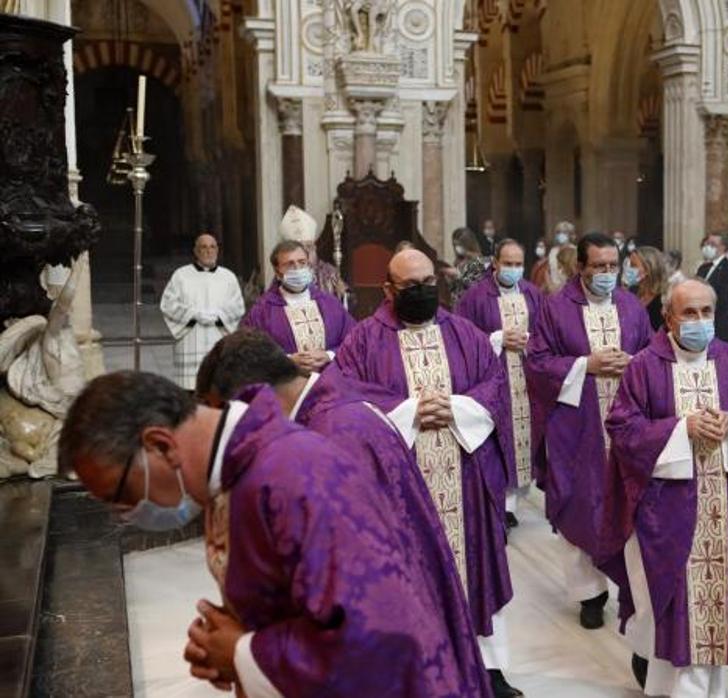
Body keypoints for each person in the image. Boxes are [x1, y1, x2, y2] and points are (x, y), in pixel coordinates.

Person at [59, 371, 491, 697]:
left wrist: (244, 654)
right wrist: (230, 642)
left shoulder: (294, 474)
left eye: (121, 495)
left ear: (160, 445)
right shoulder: (233, 474)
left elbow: (383, 643)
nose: (128, 514)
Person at [193, 330, 489, 694]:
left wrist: (244, 651)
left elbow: (353, 610)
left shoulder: (330, 437)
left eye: (227, 419)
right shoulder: (332, 413)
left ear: (256, 399)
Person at [328, 249, 522, 697]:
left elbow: (494, 385)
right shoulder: (363, 340)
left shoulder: (466, 334)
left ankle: (489, 668)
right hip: (402, 481)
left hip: (465, 474)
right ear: (389, 290)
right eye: (411, 286)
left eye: (429, 282)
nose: (422, 291)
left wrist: (454, 408)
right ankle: (417, 668)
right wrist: (411, 412)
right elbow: (346, 398)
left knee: (476, 567)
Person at [603, 279, 728, 697]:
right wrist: (682, 428)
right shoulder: (644, 366)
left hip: (723, 511)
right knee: (675, 610)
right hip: (667, 514)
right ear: (668, 317)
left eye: (706, 312)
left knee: (710, 613)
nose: (699, 322)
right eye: (688, 313)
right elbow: (623, 430)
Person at [527, 232, 652, 630]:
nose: (607, 274)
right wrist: (587, 365)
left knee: (628, 504)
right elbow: (537, 362)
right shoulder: (555, 308)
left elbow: (654, 358)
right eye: (598, 267)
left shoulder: (632, 307)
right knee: (580, 503)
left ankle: (628, 586)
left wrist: (632, 362)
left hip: (625, 428)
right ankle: (590, 594)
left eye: (613, 266)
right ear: (580, 267)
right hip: (577, 427)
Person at [455, 239, 545, 528]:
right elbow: (461, 337)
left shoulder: (533, 294)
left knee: (523, 438)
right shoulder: (475, 297)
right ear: (494, 263)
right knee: (498, 436)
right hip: (494, 378)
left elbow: (547, 332)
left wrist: (530, 341)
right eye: (508, 264)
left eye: (519, 264)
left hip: (527, 378)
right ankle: (494, 502)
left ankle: (510, 505)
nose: (513, 270)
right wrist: (497, 339)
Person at [241, 240, 355, 372]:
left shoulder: (329, 303)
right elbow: (248, 351)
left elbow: (354, 340)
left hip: (329, 382)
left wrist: (329, 355)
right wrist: (286, 360)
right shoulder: (262, 310)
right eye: (290, 264)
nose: (297, 269)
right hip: (286, 385)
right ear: (277, 273)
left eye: (302, 262)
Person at [159, 233, 244, 390]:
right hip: (190, 340)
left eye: (212, 247)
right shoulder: (181, 275)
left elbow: (237, 306)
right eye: (203, 247)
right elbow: (168, 304)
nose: (208, 251)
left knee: (216, 390)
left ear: (217, 250)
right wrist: (192, 315)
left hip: (218, 338)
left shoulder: (228, 277)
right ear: (195, 251)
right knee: (190, 393)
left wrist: (219, 317)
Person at [280, 205, 348, 302]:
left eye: (308, 246)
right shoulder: (284, 274)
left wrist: (343, 294)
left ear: (315, 248)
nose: (306, 253)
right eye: (300, 249)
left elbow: (346, 303)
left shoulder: (329, 273)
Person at [695, 233, 728, 344]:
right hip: (700, 324)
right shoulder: (703, 268)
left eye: (712, 244)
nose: (708, 247)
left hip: (719, 326)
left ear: (723, 247)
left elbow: (725, 299)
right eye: (707, 243)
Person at [627, 245, 669, 330]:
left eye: (633, 266)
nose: (629, 269)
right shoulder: (632, 292)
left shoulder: (664, 299)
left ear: (648, 268)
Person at [448, 227, 490, 306]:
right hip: (456, 305)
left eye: (459, 244)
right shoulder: (458, 261)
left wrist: (458, 274)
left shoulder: (480, 261)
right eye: (454, 244)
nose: (456, 248)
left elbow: (476, 284)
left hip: (471, 305)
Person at [541, 221, 577, 293]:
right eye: (558, 232)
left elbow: (575, 274)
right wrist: (550, 286)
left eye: (564, 232)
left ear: (570, 235)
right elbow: (547, 271)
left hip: (567, 289)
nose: (561, 235)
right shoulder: (553, 251)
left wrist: (560, 287)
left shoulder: (574, 251)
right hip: (552, 288)